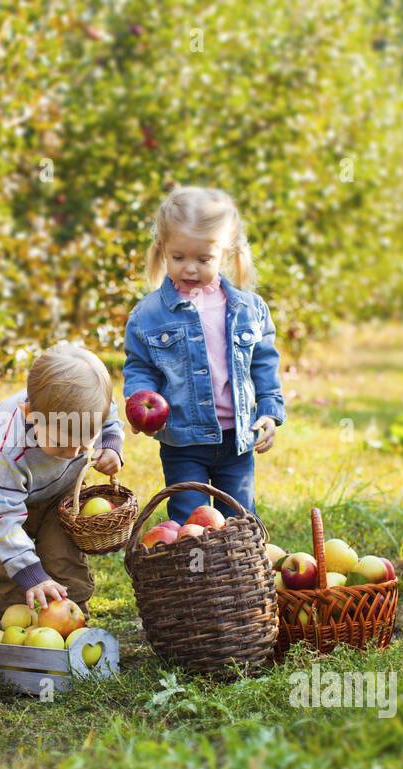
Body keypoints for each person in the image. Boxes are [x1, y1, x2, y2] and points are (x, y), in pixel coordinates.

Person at [123, 185, 285, 524]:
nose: (190, 269)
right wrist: (139, 401)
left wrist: (269, 412)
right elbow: (140, 366)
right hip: (182, 440)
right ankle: (195, 577)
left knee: (240, 519)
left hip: (236, 440)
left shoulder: (247, 309)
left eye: (204, 259)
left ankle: (240, 575)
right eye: (178, 257)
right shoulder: (149, 314)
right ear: (163, 250)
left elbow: (263, 362)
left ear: (225, 255)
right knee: (189, 522)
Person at [0, 343, 123, 618]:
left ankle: (72, 618)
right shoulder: (8, 449)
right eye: (62, 444)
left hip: (59, 490)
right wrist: (31, 574)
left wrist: (110, 445)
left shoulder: (91, 407)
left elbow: (109, 417)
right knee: (5, 569)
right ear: (31, 416)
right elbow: (3, 521)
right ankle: (5, 625)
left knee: (63, 555)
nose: (72, 454)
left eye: (83, 444)